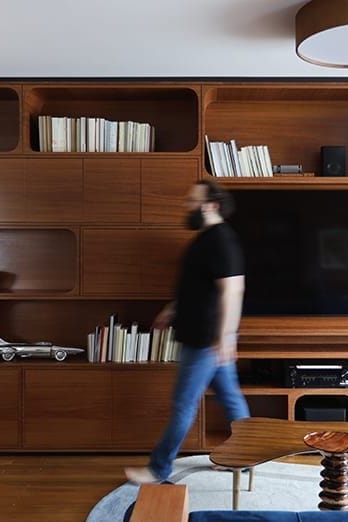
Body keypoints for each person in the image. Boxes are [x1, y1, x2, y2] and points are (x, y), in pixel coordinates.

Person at [124, 179, 250, 484]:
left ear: (212, 206)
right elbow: (198, 286)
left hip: (207, 339)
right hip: (203, 336)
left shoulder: (222, 241)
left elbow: (233, 291)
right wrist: (174, 308)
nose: (186, 205)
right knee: (231, 397)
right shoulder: (204, 239)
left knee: (183, 404)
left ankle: (158, 468)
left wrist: (224, 336)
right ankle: (245, 458)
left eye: (192, 201)